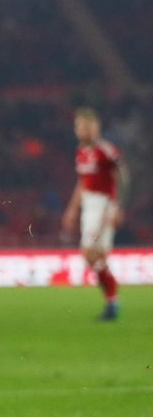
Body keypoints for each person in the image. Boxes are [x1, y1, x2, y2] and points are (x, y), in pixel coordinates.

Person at [61, 108, 127, 321]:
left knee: (90, 252)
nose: (82, 130)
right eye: (79, 126)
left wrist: (118, 206)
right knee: (96, 256)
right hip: (89, 204)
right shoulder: (81, 152)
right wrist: (72, 209)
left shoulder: (106, 150)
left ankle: (112, 297)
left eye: (86, 126)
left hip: (104, 204)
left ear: (95, 128)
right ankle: (111, 300)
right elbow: (82, 182)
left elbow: (122, 176)